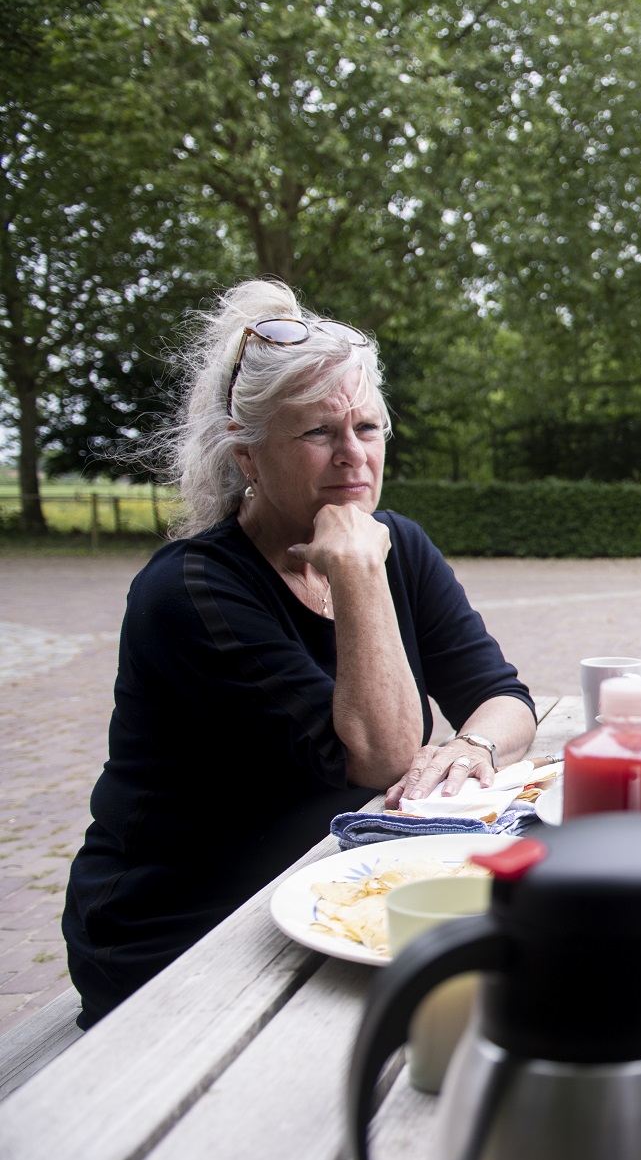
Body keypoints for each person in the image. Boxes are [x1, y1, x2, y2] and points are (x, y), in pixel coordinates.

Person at [64, 280, 536, 1027]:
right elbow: (382, 758)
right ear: (248, 457)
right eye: (318, 433)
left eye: (368, 428)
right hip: (181, 935)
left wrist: (471, 745)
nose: (353, 457)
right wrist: (356, 571)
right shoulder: (191, 590)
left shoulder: (400, 544)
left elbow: (504, 697)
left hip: (324, 892)